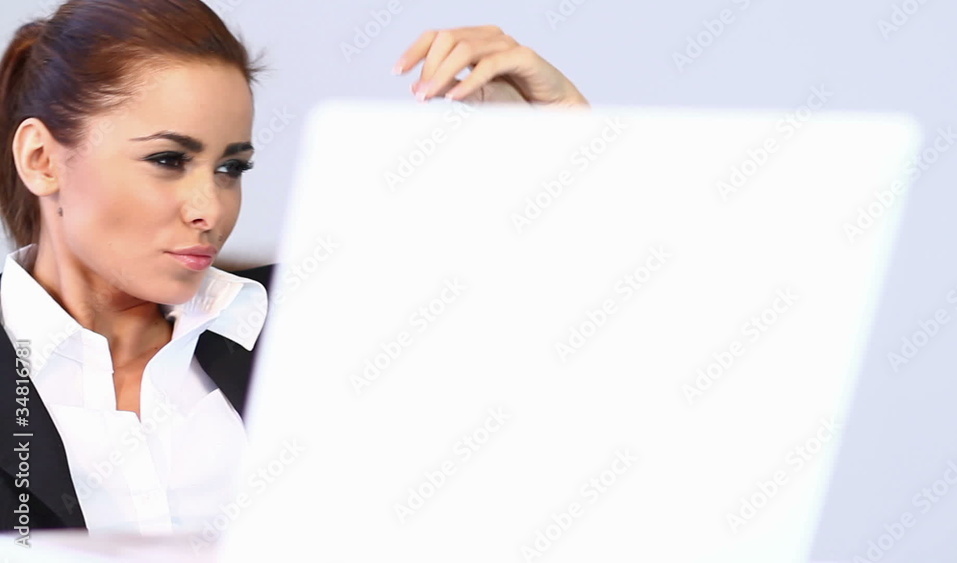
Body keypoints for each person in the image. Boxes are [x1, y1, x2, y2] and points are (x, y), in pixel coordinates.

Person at [0, 0, 587, 536]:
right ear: (42, 159)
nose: (210, 210)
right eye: (168, 160)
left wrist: (560, 130)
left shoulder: (311, 318)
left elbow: (554, 321)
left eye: (230, 169)